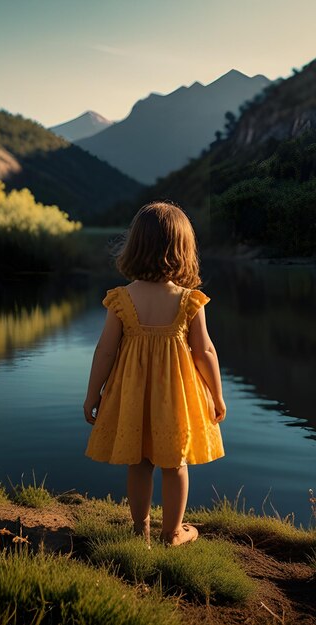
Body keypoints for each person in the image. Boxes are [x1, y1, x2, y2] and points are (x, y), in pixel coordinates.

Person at [83, 201, 226, 547]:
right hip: (176, 396)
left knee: (139, 461)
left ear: (136, 247)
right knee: (175, 463)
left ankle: (139, 531)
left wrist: (93, 395)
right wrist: (217, 394)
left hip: (132, 395)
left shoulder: (121, 298)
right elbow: (204, 351)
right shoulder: (190, 300)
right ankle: (172, 533)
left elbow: (105, 350)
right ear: (182, 250)